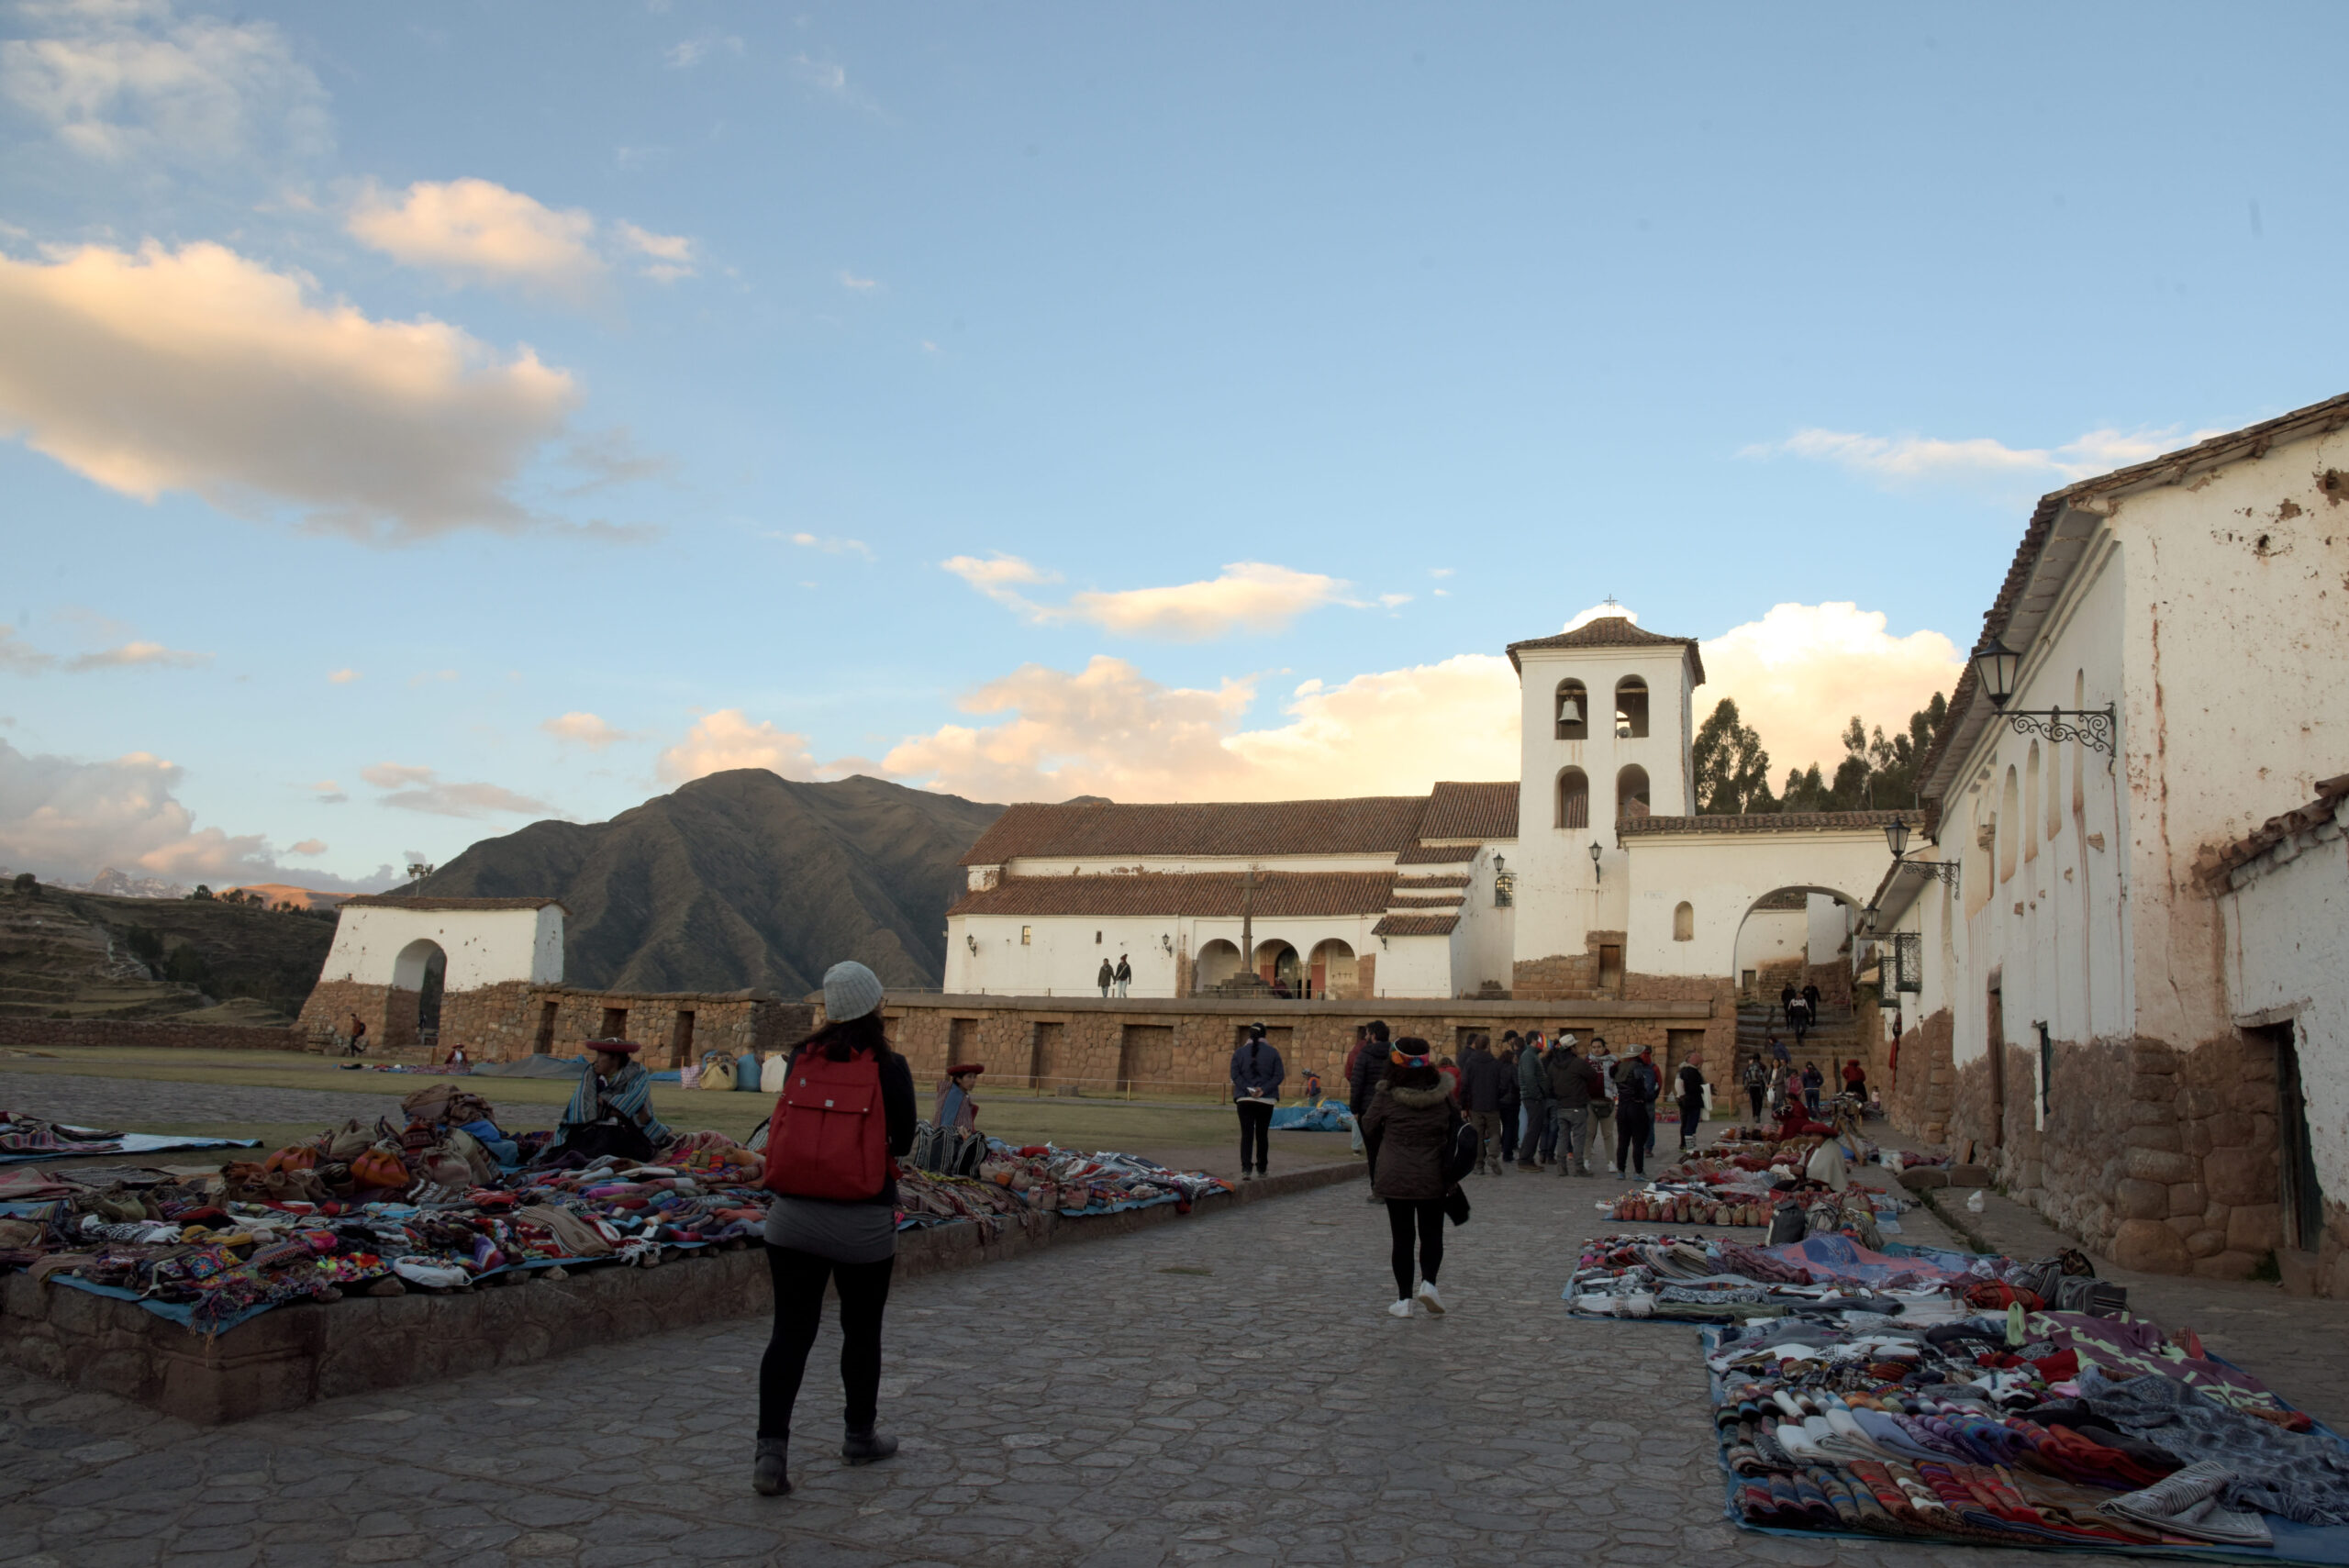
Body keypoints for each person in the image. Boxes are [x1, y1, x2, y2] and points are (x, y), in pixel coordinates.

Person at [754, 961, 918, 1496]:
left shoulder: (801, 1057)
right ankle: (859, 1436)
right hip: (862, 1220)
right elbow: (904, 1141)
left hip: (791, 1219)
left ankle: (771, 1453)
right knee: (861, 1331)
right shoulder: (889, 1067)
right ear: (875, 1006)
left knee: (790, 1334)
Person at [1359, 1036, 1460, 1318]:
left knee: (1402, 1238)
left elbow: (1368, 1124)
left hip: (1396, 1174)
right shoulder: (1443, 1094)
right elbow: (1457, 1125)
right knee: (1432, 1233)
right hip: (1433, 1173)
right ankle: (1429, 1284)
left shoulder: (1386, 1094)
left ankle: (1404, 1300)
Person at [551, 1039, 670, 1163]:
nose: (596, 1061)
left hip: (625, 1132)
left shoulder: (637, 1074)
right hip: (591, 1130)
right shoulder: (590, 1075)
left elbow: (634, 1107)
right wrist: (611, 1109)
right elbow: (580, 1106)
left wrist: (604, 1106)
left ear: (615, 1059)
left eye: (600, 1056)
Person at [1230, 1023, 1284, 1182]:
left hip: (1245, 1099)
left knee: (1246, 1135)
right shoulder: (1273, 1053)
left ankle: (1246, 1169)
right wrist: (1263, 1090)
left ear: (1249, 1035)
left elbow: (1235, 1075)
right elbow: (1278, 1075)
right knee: (1262, 1135)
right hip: (1266, 1100)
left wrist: (1249, 1089)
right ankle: (1262, 1168)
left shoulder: (1239, 1053)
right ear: (1265, 1035)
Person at [1546, 1033, 1605, 1177]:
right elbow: (1593, 1076)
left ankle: (1561, 1167)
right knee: (1578, 1138)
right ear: (1571, 1048)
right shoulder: (1577, 1063)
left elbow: (1549, 1085)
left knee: (1562, 1137)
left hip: (1561, 1105)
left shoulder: (1553, 1065)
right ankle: (1579, 1167)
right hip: (1577, 1105)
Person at [1349, 1019, 1392, 1198]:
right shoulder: (1394, 1056)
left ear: (1373, 1035)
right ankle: (1391, 1188)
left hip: (1368, 1109)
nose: (1365, 1037)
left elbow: (1357, 1084)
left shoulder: (1364, 1055)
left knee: (1373, 1151)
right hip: (1390, 1109)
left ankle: (1378, 1189)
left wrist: (1354, 1109)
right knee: (1389, 1151)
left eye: (1367, 1033)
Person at [1459, 1035, 1507, 1176]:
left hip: (1476, 1105)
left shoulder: (1470, 1063)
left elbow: (1464, 1085)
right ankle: (1492, 1154)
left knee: (1478, 1136)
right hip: (1492, 1104)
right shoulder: (1496, 1063)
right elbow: (1503, 1085)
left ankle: (1479, 1165)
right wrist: (1497, 1095)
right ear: (1488, 1046)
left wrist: (1463, 1106)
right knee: (1495, 1132)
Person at [1611, 1046, 1660, 1178]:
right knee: (1638, 1141)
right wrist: (1653, 1094)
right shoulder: (1638, 1068)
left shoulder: (1619, 1067)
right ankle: (1638, 1172)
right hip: (1636, 1106)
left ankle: (1621, 1171)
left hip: (1622, 1106)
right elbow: (1643, 1090)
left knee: (1623, 1141)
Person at [1515, 1031, 1554, 1170]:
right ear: (1533, 1040)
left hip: (1535, 1097)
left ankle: (1528, 1158)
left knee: (1535, 1129)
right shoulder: (1528, 1056)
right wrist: (1537, 1095)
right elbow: (1529, 1077)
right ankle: (1525, 1159)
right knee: (1533, 1129)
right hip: (1533, 1098)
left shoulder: (1532, 1055)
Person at [1495, 1040, 1520, 1165]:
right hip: (1511, 1101)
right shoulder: (1512, 1068)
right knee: (1510, 1127)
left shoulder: (1497, 1068)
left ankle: (1502, 1147)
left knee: (1503, 1126)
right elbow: (1517, 1084)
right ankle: (1507, 1153)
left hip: (1499, 1101)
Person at [1675, 1058, 1706, 1151]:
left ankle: (1685, 1145)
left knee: (1686, 1124)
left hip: (1684, 1100)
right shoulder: (1691, 1072)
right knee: (1691, 1125)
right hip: (1691, 1101)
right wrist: (1703, 1088)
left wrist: (1681, 1096)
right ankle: (1690, 1147)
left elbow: (1678, 1085)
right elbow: (1693, 1087)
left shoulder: (1681, 1072)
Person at [1741, 1055, 1769, 1122]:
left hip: (1751, 1086)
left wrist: (1745, 1087)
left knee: (1753, 1101)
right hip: (1758, 1086)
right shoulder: (1760, 1067)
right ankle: (1757, 1115)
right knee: (1759, 1101)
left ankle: (1754, 1114)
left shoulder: (1749, 1068)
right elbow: (1762, 1077)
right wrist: (1766, 1084)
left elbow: (1746, 1078)